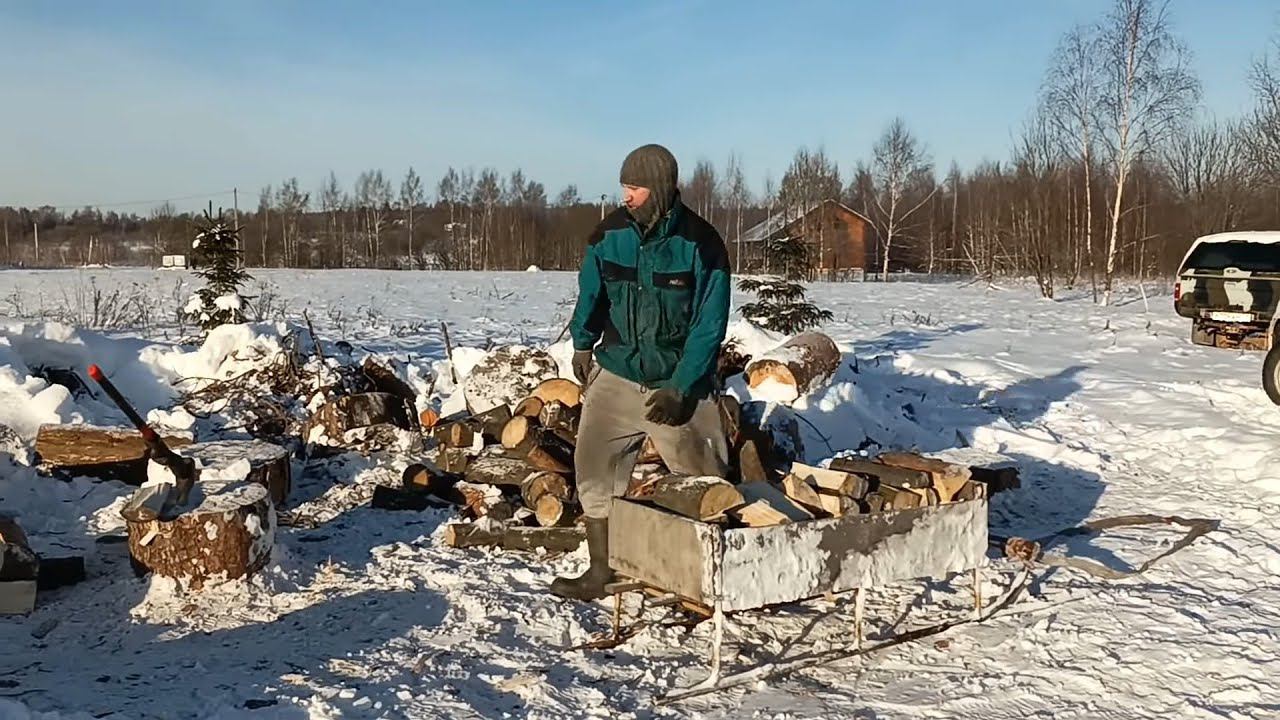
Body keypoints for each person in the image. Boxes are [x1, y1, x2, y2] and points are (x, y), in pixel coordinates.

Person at [551, 143, 731, 601]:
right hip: (617, 375)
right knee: (594, 472)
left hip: (677, 383)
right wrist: (582, 343)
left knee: (706, 483)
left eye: (635, 188)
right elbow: (591, 293)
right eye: (624, 187)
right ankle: (602, 570)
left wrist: (682, 387)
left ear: (661, 189)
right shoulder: (609, 235)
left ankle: (708, 584)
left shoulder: (702, 243)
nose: (626, 196)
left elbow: (709, 325)